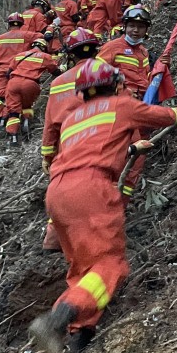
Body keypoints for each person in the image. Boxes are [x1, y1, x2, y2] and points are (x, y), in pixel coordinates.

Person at [27, 61, 177, 353]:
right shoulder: (121, 104)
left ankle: (79, 339)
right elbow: (164, 115)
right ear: (117, 83)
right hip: (91, 188)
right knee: (110, 265)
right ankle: (56, 319)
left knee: (83, 268)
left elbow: (92, 145)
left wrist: (129, 150)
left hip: (57, 193)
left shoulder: (71, 117)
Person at [39, 28, 104, 252]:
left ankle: (53, 240)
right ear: (96, 51)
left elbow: (50, 126)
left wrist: (47, 156)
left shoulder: (58, 84)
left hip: (67, 147)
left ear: (70, 54)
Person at [97, 5, 165, 99]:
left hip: (141, 101)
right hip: (118, 101)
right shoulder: (112, 47)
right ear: (124, 27)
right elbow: (96, 74)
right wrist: (121, 91)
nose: (136, 30)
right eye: (132, 26)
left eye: (141, 27)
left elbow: (146, 80)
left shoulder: (143, 52)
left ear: (146, 30)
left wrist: (161, 66)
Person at [5, 38, 61, 145]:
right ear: (44, 48)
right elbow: (55, 71)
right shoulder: (45, 56)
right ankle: (27, 127)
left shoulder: (20, 55)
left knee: (13, 112)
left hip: (13, 82)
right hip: (30, 84)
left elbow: (8, 73)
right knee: (27, 106)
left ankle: (13, 138)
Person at [0, 13, 42, 128]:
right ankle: (20, 121)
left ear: (9, 24)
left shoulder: (0, 38)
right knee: (17, 96)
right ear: (22, 24)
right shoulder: (27, 35)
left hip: (1, 70)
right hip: (17, 71)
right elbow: (41, 38)